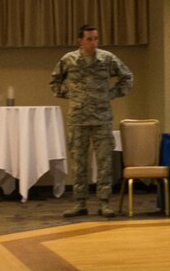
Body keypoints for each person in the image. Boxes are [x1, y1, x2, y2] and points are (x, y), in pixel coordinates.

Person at [49, 23, 132, 217]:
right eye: (89, 39)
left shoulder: (106, 59)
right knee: (79, 162)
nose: (93, 43)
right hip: (78, 118)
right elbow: (54, 81)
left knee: (104, 161)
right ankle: (80, 202)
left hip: (101, 117)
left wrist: (111, 93)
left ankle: (104, 202)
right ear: (80, 40)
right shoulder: (69, 60)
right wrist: (71, 94)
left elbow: (127, 77)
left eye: (95, 39)